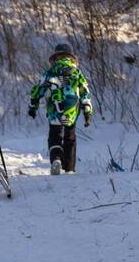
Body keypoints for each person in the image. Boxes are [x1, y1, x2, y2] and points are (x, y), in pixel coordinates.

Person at [29, 42, 93, 175]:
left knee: (55, 135)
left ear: (55, 57)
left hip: (54, 108)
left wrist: (33, 106)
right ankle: (69, 168)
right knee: (70, 137)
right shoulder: (77, 73)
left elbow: (38, 90)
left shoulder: (50, 72)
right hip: (71, 109)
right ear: (71, 57)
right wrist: (87, 111)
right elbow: (84, 92)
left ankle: (56, 159)